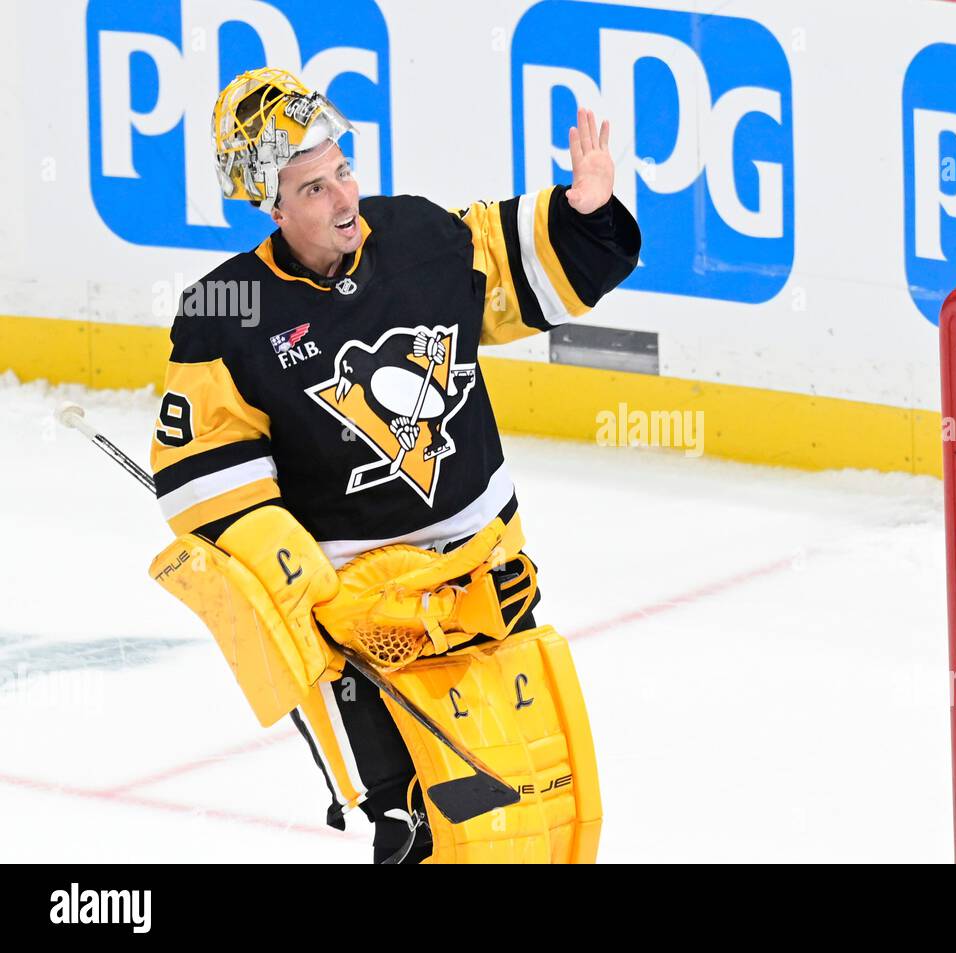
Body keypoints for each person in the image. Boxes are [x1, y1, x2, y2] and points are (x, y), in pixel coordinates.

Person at [148, 67, 640, 863]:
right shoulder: (225, 310)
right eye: (313, 188)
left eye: (343, 169)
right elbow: (204, 472)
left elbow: (528, 272)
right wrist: (305, 581)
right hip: (362, 619)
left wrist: (584, 212)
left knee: (542, 818)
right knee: (418, 829)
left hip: (489, 578)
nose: (344, 198)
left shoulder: (417, 236)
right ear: (269, 205)